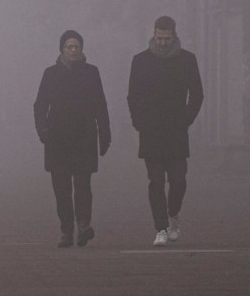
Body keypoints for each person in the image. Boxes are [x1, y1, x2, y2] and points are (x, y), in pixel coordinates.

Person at [127, 15, 203, 247]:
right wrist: (139, 122)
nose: (162, 42)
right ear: (154, 34)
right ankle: (160, 228)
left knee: (179, 181)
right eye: (159, 38)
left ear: (174, 35)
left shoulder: (187, 60)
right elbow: (133, 96)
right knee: (156, 181)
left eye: (166, 38)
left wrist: (186, 120)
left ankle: (174, 216)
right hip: (151, 131)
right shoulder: (140, 61)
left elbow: (197, 94)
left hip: (177, 131)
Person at [34, 30, 111, 248]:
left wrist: (105, 134)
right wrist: (43, 130)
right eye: (69, 46)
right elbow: (40, 105)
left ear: (82, 48)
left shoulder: (91, 72)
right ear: (62, 49)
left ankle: (83, 224)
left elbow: (100, 105)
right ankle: (66, 230)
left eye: (76, 46)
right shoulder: (50, 74)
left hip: (84, 136)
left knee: (83, 184)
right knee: (61, 188)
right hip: (57, 138)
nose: (73, 50)